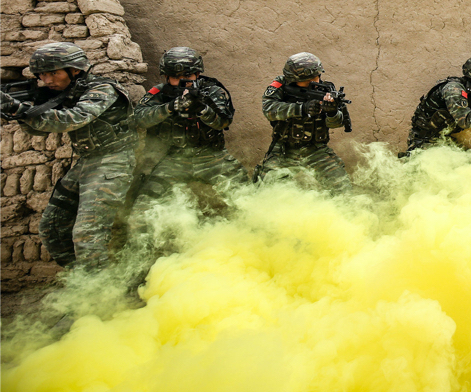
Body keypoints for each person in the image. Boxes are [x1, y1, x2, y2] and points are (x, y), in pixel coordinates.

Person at [0, 42, 137, 269]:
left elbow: (74, 118)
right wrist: (20, 114)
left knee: (87, 234)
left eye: (54, 73)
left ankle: (100, 294)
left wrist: (19, 109)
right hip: (87, 162)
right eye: (43, 74)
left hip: (114, 161)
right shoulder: (66, 92)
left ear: (75, 70)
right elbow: (37, 129)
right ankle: (82, 282)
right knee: (52, 227)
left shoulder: (101, 89)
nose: (48, 80)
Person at [128, 47, 245, 220]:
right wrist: (170, 107)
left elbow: (224, 122)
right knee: (141, 215)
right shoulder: (159, 93)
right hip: (173, 160)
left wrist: (202, 109)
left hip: (212, 158)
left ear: (197, 74)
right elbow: (138, 119)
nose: (183, 81)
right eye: (176, 77)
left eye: (188, 76)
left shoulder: (212, 90)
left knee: (247, 200)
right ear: (167, 77)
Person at [256, 53, 352, 192]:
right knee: (269, 192)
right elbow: (269, 110)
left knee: (342, 188)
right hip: (283, 150)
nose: (314, 82)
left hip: (316, 150)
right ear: (292, 79)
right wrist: (301, 108)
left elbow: (336, 124)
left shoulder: (326, 90)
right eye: (307, 80)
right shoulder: (281, 87)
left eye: (316, 77)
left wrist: (331, 112)